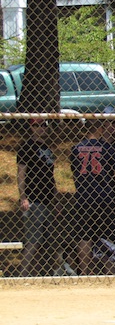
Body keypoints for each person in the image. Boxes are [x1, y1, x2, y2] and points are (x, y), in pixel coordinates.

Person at [70, 119, 115, 275]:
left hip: (83, 197)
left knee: (84, 236)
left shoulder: (76, 149)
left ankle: (84, 272)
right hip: (105, 197)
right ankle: (109, 272)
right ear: (100, 128)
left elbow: (75, 174)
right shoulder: (108, 148)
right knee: (109, 237)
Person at [17, 118, 58, 276]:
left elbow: (50, 175)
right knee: (34, 239)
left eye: (43, 125)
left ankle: (42, 273)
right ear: (31, 127)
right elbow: (21, 173)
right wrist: (23, 197)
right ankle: (23, 274)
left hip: (48, 199)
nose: (40, 128)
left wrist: (56, 198)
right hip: (34, 198)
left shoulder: (47, 147)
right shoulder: (26, 147)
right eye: (36, 125)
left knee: (48, 240)